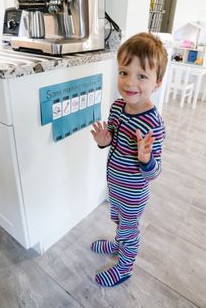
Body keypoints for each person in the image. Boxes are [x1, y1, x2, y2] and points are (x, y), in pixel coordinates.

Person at [90, 32, 167, 288]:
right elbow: (113, 137)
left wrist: (145, 158)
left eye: (141, 76)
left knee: (129, 228)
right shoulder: (116, 107)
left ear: (157, 82)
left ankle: (125, 266)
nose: (130, 82)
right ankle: (117, 244)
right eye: (124, 72)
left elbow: (154, 173)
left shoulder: (153, 123)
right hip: (115, 184)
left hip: (134, 192)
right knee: (119, 222)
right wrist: (104, 140)